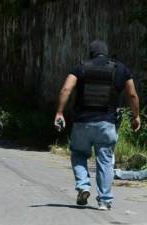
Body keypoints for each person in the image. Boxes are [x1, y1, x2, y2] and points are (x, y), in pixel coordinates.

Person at [54, 40, 141, 210]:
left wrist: (59, 112)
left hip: (82, 123)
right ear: (106, 53)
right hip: (107, 124)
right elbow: (132, 95)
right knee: (105, 161)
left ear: (91, 53)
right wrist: (136, 116)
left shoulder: (81, 67)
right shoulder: (120, 69)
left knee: (78, 153)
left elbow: (66, 89)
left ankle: (83, 186)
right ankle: (105, 200)